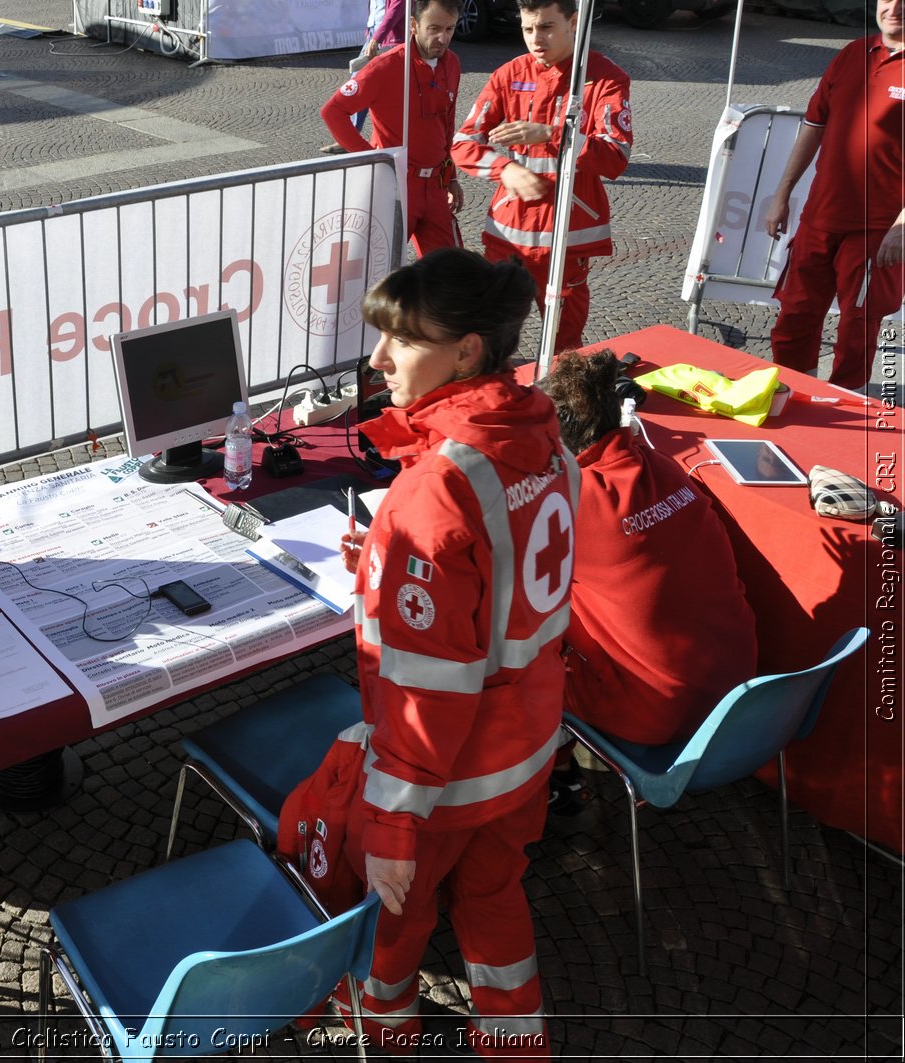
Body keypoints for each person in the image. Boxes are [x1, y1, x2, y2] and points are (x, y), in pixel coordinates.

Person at [339, 247, 574, 1058]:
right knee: (495, 893)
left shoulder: (440, 482)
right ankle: (514, 1038)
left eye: (399, 340)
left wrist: (394, 823)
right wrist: (385, 556)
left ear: (467, 349)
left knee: (404, 909)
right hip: (530, 741)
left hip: (451, 773)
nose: (377, 359)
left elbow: (425, 685)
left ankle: (386, 1022)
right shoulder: (539, 432)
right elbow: (500, 580)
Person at [538, 349, 757, 813]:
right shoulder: (663, 466)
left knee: (513, 647)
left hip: (657, 715)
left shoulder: (572, 499)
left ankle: (553, 769)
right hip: (744, 702)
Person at [451, 0, 632, 354]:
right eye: (528, 28)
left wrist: (551, 133)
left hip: (567, 238)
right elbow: (462, 143)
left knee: (564, 347)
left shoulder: (605, 77)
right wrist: (505, 168)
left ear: (574, 22)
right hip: (508, 234)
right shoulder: (509, 74)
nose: (536, 39)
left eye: (547, 27)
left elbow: (615, 157)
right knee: (487, 341)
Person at [763, 0, 905, 392]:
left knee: (856, 333)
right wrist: (782, 193)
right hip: (819, 217)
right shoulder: (851, 54)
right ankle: (791, 399)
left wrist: (902, 225)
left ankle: (846, 419)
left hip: (876, 228)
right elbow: (813, 125)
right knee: (794, 321)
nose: (894, 7)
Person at [320, 0, 466, 256]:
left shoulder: (452, 63)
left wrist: (451, 175)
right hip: (396, 186)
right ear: (413, 25)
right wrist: (372, 159)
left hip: (435, 185)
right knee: (380, 268)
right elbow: (333, 111)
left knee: (449, 274)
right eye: (433, 28)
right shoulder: (386, 66)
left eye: (450, 29)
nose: (442, 38)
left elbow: (447, 123)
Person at [322, 0, 409, 154]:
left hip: (390, 38)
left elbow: (397, 7)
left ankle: (365, 140)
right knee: (361, 82)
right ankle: (351, 136)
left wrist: (377, 38)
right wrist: (371, 32)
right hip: (377, 33)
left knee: (370, 86)